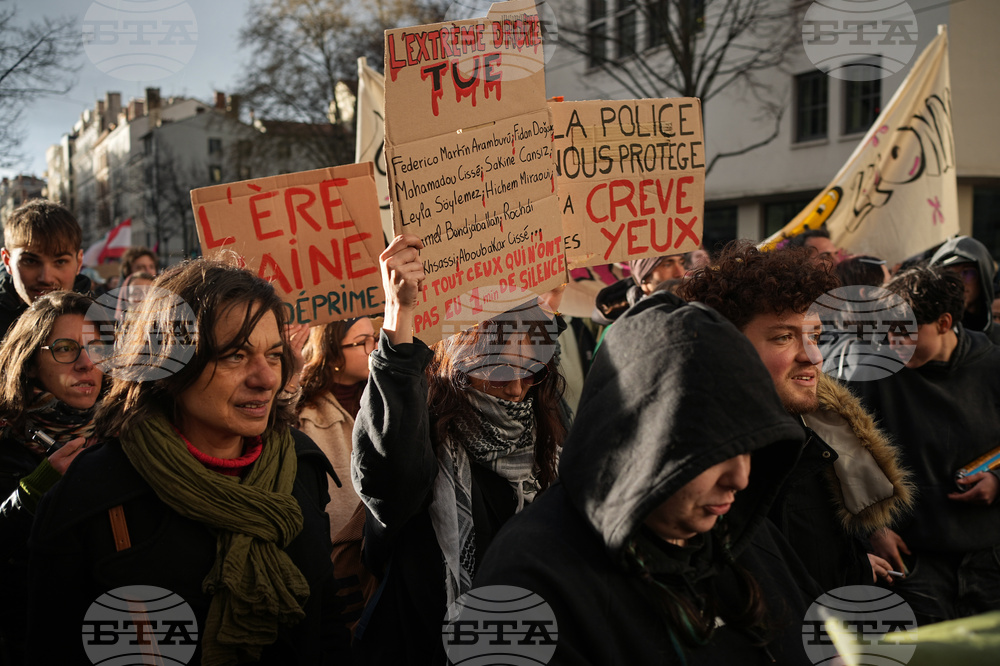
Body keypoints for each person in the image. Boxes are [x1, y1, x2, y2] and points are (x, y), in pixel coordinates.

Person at [473, 295, 821, 664]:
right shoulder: (530, 580)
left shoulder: (745, 537)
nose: (740, 477)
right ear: (644, 441)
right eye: (714, 453)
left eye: (752, 449)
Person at [26, 258, 341, 664]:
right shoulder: (92, 494)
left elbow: (325, 626)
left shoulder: (300, 463)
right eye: (235, 356)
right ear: (170, 362)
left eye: (275, 355)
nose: (265, 378)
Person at [351, 235, 567, 664]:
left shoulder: (541, 424)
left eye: (532, 373)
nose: (516, 387)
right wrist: (400, 318)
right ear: (467, 358)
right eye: (502, 368)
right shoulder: (423, 424)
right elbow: (390, 481)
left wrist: (548, 302)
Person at [679, 241, 913, 592]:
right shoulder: (694, 462)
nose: (813, 356)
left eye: (815, 336)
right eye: (784, 337)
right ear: (727, 345)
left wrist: (855, 564)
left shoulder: (820, 437)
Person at [851, 266, 1000, 624]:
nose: (892, 344)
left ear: (945, 323)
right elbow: (846, 460)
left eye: (904, 333)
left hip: (990, 557)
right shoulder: (872, 374)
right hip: (913, 559)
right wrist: (873, 529)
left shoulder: (993, 366)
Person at [0, 291, 105, 666]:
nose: (85, 363)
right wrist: (32, 494)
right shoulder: (6, 440)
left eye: (95, 347)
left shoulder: (123, 434)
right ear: (30, 363)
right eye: (65, 348)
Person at [297, 316, 377, 536]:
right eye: (363, 342)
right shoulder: (300, 408)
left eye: (375, 338)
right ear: (332, 354)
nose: (375, 348)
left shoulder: (381, 397)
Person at [0, 200, 90, 341]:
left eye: (60, 262)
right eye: (31, 261)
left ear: (78, 263)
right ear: (7, 261)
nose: (46, 277)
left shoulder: (103, 324)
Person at [928, 236, 1000, 344]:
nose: (959, 282)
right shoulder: (930, 338)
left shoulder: (997, 339)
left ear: (983, 276)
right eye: (950, 275)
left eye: (967, 273)